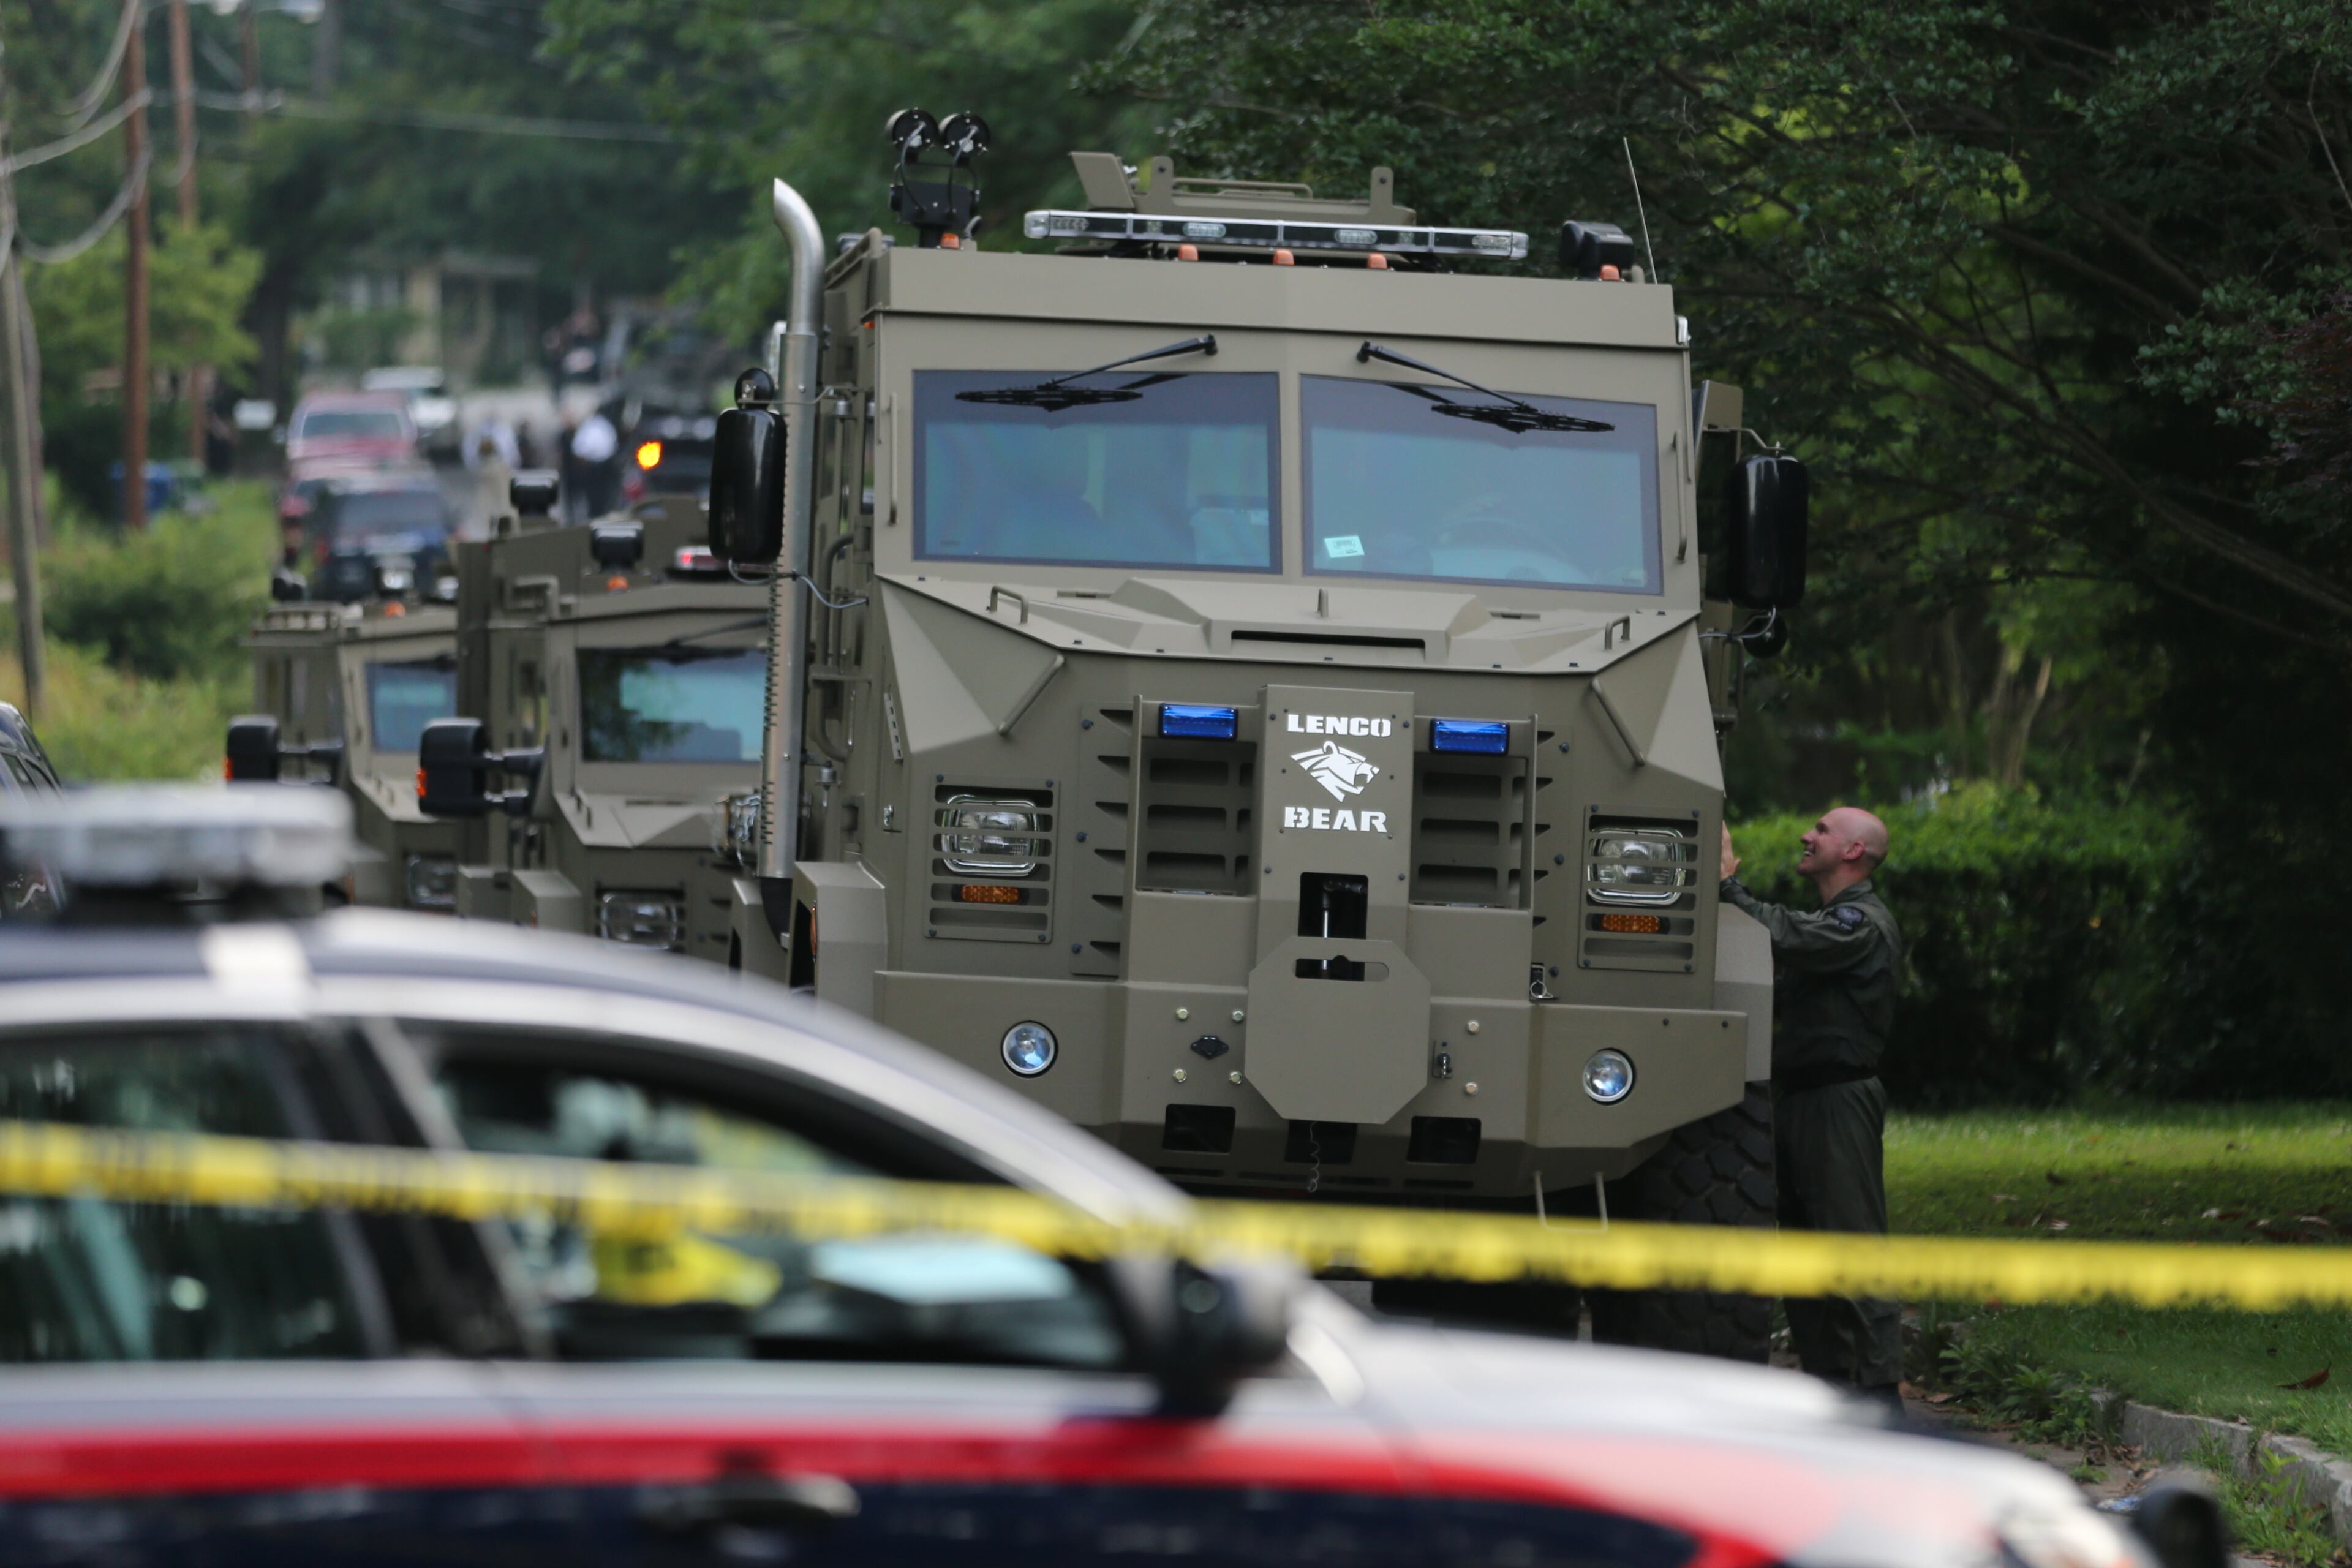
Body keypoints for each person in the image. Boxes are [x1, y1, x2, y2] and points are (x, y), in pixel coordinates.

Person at [1719, 808, 1904, 1406]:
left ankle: (1879, 1393)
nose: (1807, 835)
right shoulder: (1833, 919)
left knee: (1851, 1241)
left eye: (1822, 830)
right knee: (1802, 1248)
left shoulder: (1860, 923)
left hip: (1837, 1101)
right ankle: (1831, 1384)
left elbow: (1788, 936)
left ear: (1852, 852)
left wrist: (1729, 887)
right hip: (1800, 1099)